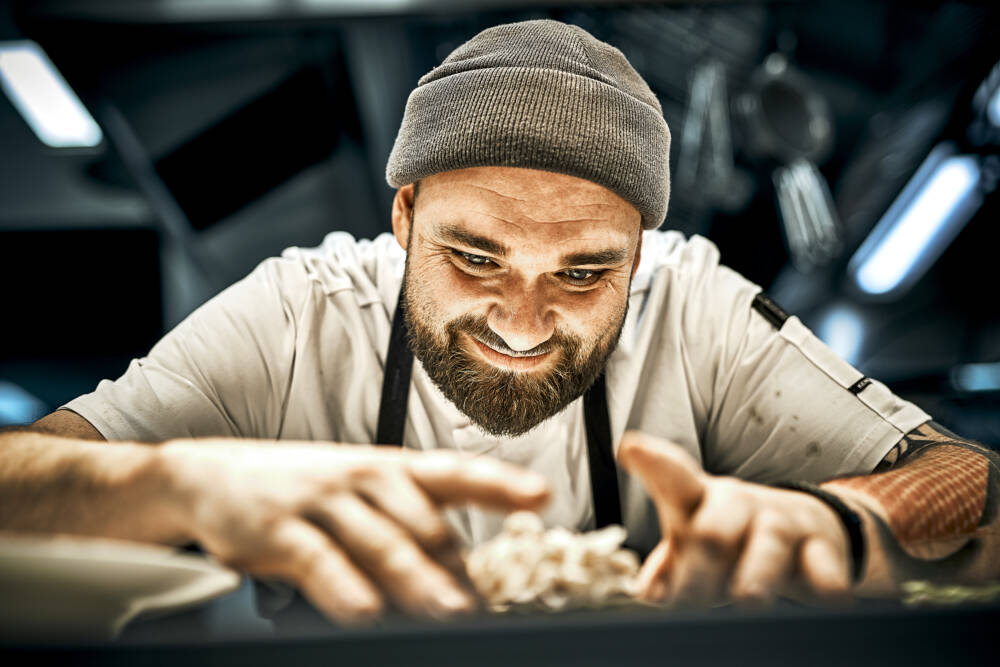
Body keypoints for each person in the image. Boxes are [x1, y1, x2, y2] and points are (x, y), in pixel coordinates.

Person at [1, 20, 997, 625]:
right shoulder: (299, 309)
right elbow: (18, 477)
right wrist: (176, 479)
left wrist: (843, 518)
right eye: (474, 258)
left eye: (584, 270)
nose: (524, 320)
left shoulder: (694, 304)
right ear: (403, 220)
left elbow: (975, 490)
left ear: (642, 256)